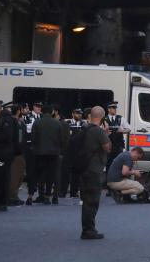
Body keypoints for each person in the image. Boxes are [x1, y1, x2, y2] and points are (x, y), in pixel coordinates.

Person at [80, 106, 112, 240]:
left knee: (87, 199)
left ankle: (87, 228)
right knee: (92, 201)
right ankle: (89, 230)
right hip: (94, 169)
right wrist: (105, 134)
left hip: (84, 167)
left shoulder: (84, 129)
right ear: (102, 117)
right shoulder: (98, 132)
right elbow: (108, 148)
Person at [31, 103, 64, 205]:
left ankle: (42, 195)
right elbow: (61, 139)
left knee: (42, 175)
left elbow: (33, 138)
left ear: (42, 111)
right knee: (54, 175)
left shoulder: (37, 123)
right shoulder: (57, 123)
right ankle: (54, 197)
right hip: (54, 153)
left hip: (40, 153)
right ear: (52, 112)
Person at [60, 108, 84, 199]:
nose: (79, 115)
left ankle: (73, 192)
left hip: (78, 151)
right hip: (68, 151)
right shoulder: (67, 123)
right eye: (77, 113)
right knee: (65, 172)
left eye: (80, 114)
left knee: (76, 172)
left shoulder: (83, 124)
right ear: (73, 114)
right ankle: (63, 191)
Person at [104, 102, 130, 173]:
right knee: (108, 163)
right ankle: (108, 181)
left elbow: (128, 129)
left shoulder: (120, 118)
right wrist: (105, 132)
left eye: (115, 108)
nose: (115, 110)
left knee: (118, 163)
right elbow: (99, 131)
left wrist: (122, 131)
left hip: (118, 145)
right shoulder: (104, 119)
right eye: (113, 108)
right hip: (108, 145)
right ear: (108, 109)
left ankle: (116, 179)